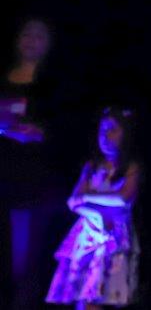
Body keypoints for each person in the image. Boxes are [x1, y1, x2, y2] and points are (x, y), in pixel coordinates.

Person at [45, 108, 141, 309]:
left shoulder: (131, 167)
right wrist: (95, 214)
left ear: (126, 134)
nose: (105, 136)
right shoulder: (92, 166)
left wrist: (88, 197)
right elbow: (73, 201)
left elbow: (124, 198)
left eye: (112, 130)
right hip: (88, 236)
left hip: (113, 238)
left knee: (104, 294)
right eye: (102, 130)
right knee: (84, 295)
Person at [0, 17, 62, 309]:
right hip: (3, 168)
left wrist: (38, 133)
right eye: (27, 33)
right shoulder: (3, 78)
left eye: (39, 35)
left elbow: (62, 128)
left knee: (25, 258)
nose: (31, 40)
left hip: (33, 179)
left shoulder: (52, 84)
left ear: (48, 44)